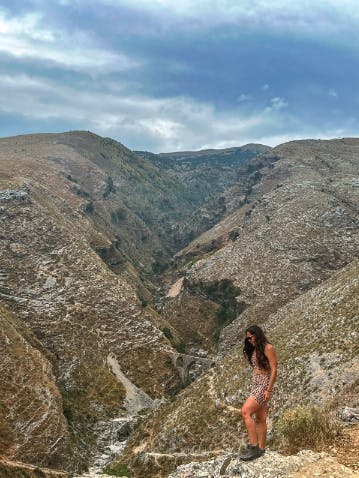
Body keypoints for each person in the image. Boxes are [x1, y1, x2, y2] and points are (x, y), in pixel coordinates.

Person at [239, 325, 277, 461]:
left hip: (263, 385)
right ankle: (261, 448)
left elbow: (274, 369)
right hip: (256, 384)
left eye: (251, 337)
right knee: (260, 418)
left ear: (257, 334)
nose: (249, 340)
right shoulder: (256, 348)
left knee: (245, 412)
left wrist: (269, 389)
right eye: (247, 338)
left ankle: (253, 447)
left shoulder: (268, 348)